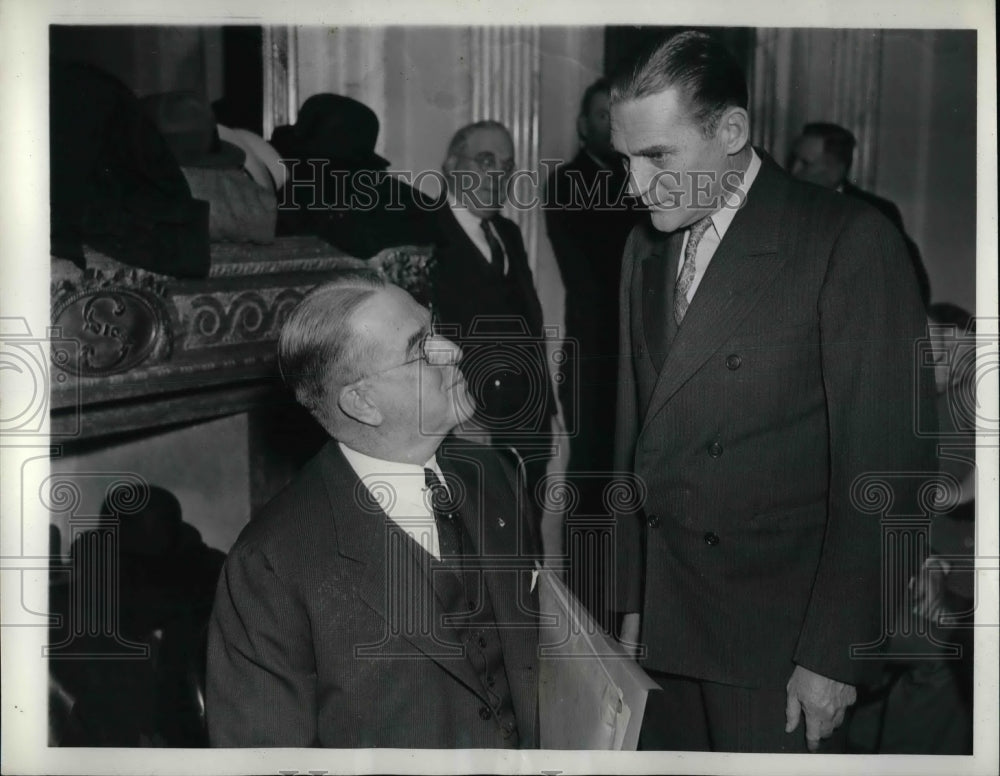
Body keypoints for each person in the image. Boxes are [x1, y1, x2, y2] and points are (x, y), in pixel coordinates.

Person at [609, 32, 937, 753]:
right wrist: (633, 597)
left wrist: (834, 653)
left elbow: (888, 465)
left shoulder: (846, 239)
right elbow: (635, 440)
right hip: (667, 619)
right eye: (625, 159)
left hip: (779, 641)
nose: (635, 185)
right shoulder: (646, 247)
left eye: (657, 156)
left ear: (732, 131)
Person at [206, 272, 541, 748]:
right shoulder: (269, 565)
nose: (452, 350)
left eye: (435, 327)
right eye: (422, 348)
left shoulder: (497, 475)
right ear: (362, 402)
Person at [543, 78, 645, 630]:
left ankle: (624, 601)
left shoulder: (636, 178)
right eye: (601, 116)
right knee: (591, 485)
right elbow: (604, 277)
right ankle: (587, 609)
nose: (610, 125)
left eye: (618, 116)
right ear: (583, 126)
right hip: (596, 359)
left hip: (638, 357)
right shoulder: (571, 183)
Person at [431, 120, 558, 519]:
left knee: (526, 546)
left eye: (506, 166)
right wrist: (457, 418)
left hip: (527, 427)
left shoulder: (507, 232)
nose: (498, 175)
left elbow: (530, 326)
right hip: (467, 429)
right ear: (452, 165)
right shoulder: (423, 234)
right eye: (485, 161)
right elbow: (424, 342)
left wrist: (544, 416)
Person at [788, 122, 931, 307]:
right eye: (793, 160)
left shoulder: (876, 211)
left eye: (805, 164)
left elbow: (914, 285)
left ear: (835, 171)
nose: (792, 172)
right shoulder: (778, 206)